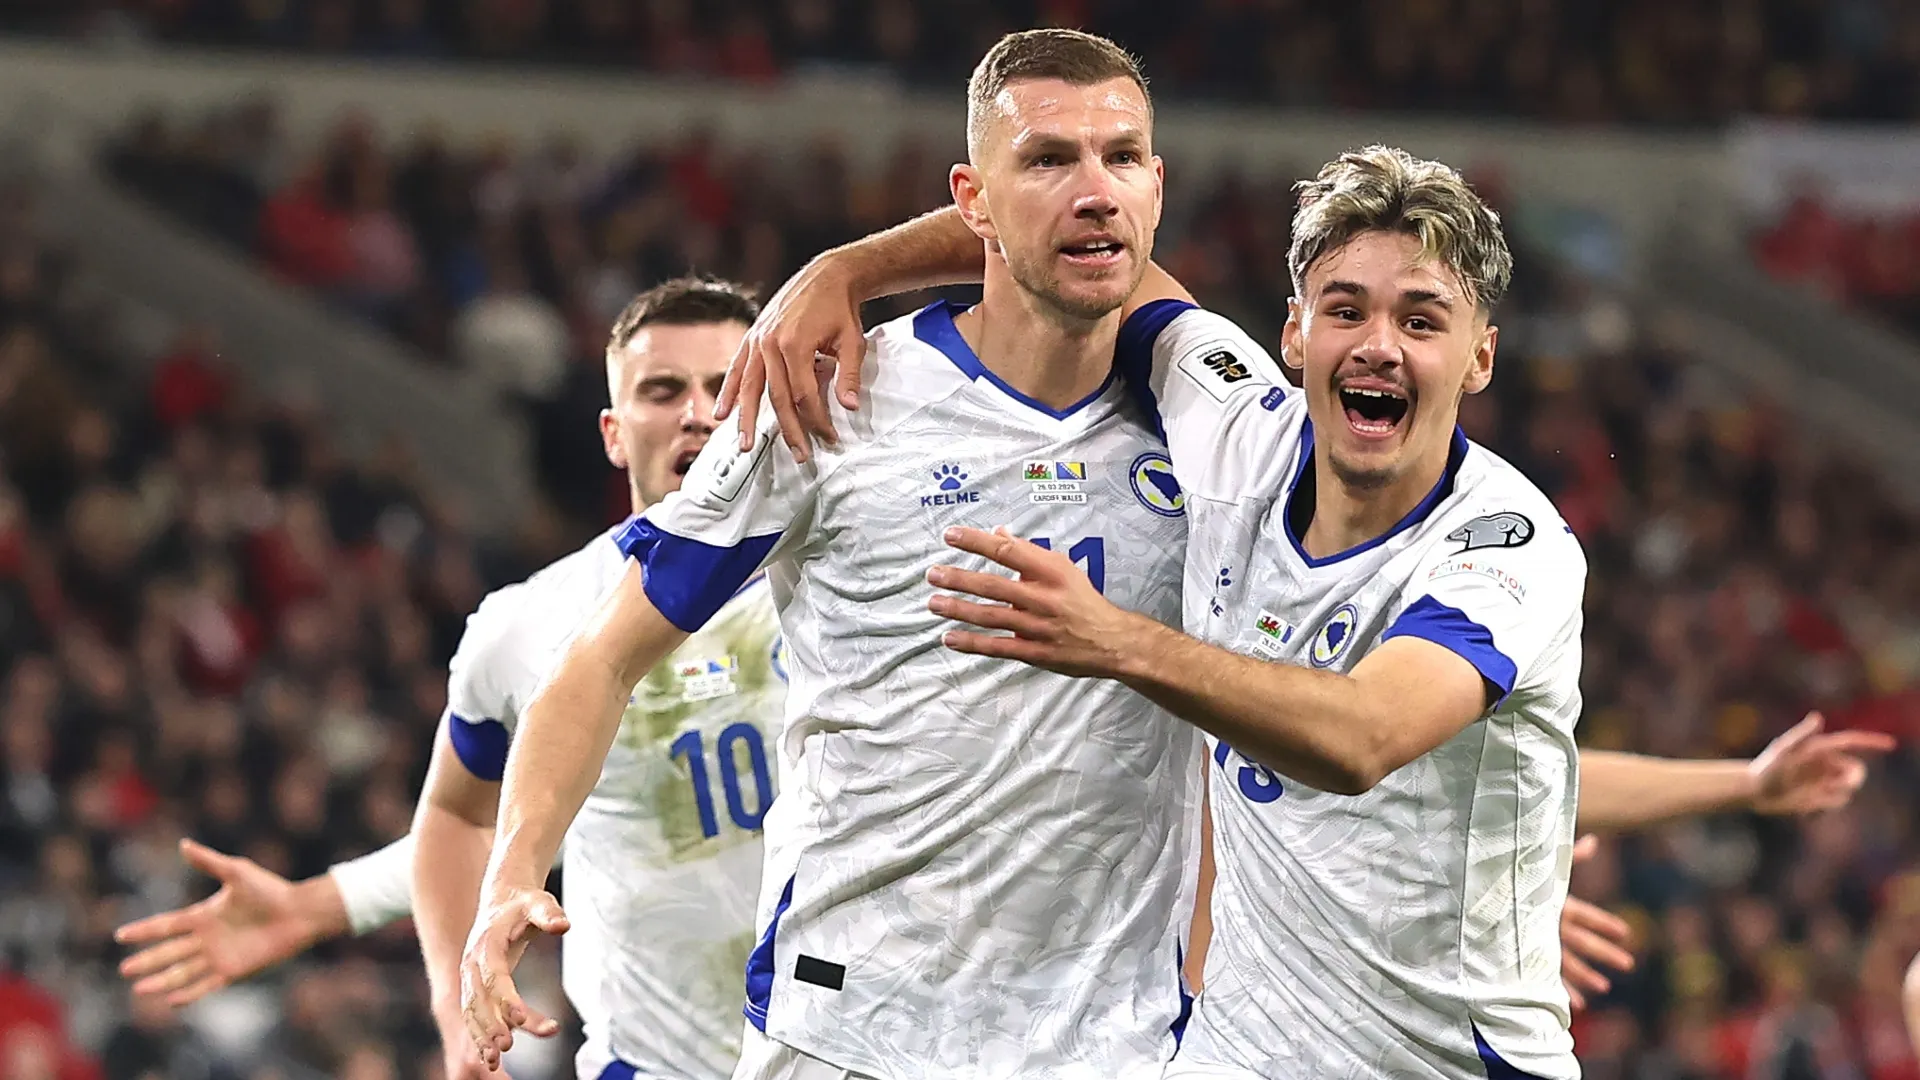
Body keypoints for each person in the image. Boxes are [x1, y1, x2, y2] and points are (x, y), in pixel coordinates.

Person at [720, 144, 1895, 1078]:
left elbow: (1362, 739)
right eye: (1346, 309)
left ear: (1480, 356)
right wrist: (848, 271)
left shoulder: (1507, 545)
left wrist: (1115, 641)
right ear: (1294, 333)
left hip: (1443, 1059)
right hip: (1233, 1051)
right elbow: (1082, 248)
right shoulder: (1228, 421)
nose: (1378, 344)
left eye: (1422, 321)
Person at [462, 29, 1202, 1080]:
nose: (1095, 189)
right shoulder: (827, 398)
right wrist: (512, 876)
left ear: (1158, 185)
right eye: (1046, 159)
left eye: (1122, 157)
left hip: (1109, 1041)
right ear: (971, 200)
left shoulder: (1209, 420)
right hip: (852, 1031)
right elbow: (600, 660)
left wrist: (851, 263)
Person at [115, 277, 786, 1080]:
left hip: (885, 1047)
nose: (698, 412)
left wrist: (326, 902)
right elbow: (470, 823)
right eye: (662, 390)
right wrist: (443, 1004)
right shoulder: (527, 626)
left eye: (724, 384)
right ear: (613, 432)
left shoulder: (854, 584)